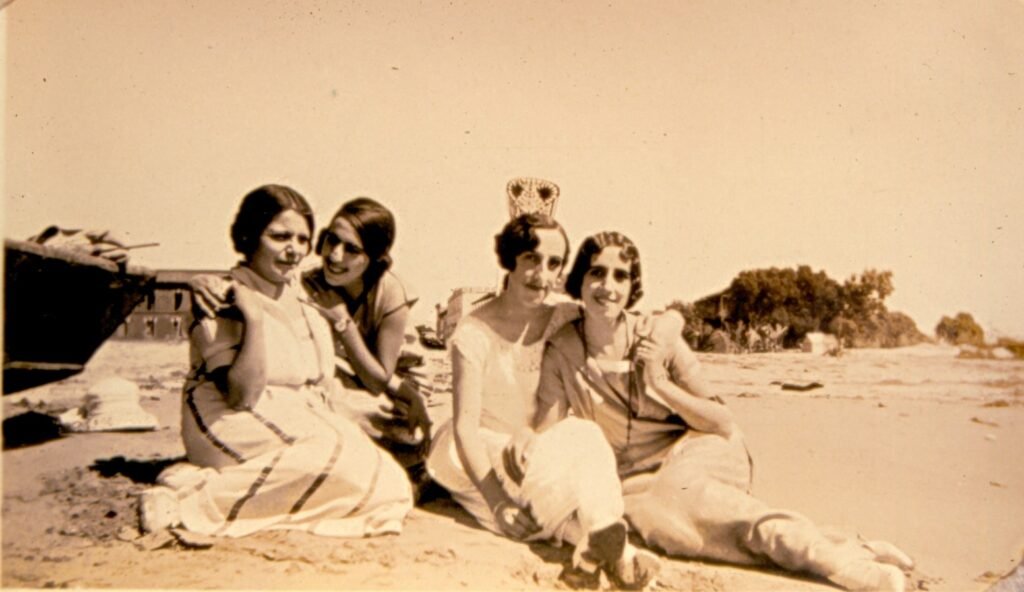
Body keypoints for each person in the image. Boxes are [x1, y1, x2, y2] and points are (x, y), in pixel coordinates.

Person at [533, 231, 914, 592]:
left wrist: (659, 384)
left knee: (681, 505)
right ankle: (852, 545)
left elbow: (723, 422)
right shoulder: (564, 350)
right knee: (663, 524)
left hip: (699, 447)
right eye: (596, 272)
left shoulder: (655, 337)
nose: (608, 286)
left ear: (634, 287)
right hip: (635, 479)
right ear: (579, 279)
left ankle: (838, 561)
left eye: (621, 276)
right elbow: (548, 436)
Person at [140, 184, 413, 538]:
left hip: (294, 413)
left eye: (302, 239)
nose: (294, 251)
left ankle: (198, 477)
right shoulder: (223, 297)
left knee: (390, 481)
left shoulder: (305, 294)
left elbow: (325, 380)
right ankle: (188, 499)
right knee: (339, 462)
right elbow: (241, 395)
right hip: (229, 417)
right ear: (250, 236)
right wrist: (253, 318)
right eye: (280, 237)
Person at [426, 214, 659, 588]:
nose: (542, 274)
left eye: (554, 264)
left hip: (539, 444)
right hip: (482, 453)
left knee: (584, 435)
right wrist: (498, 502)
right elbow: (465, 428)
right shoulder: (473, 332)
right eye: (532, 259)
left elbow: (634, 318)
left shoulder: (563, 316)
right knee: (538, 503)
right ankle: (621, 552)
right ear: (510, 259)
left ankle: (598, 543)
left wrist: (669, 326)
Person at [191, 197, 432, 474]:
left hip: (399, 383)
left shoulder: (390, 293)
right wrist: (201, 282)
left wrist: (342, 321)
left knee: (391, 427)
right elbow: (252, 280)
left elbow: (379, 379)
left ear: (373, 257)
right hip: (344, 377)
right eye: (332, 240)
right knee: (329, 412)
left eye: (352, 249)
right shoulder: (311, 282)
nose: (335, 256)